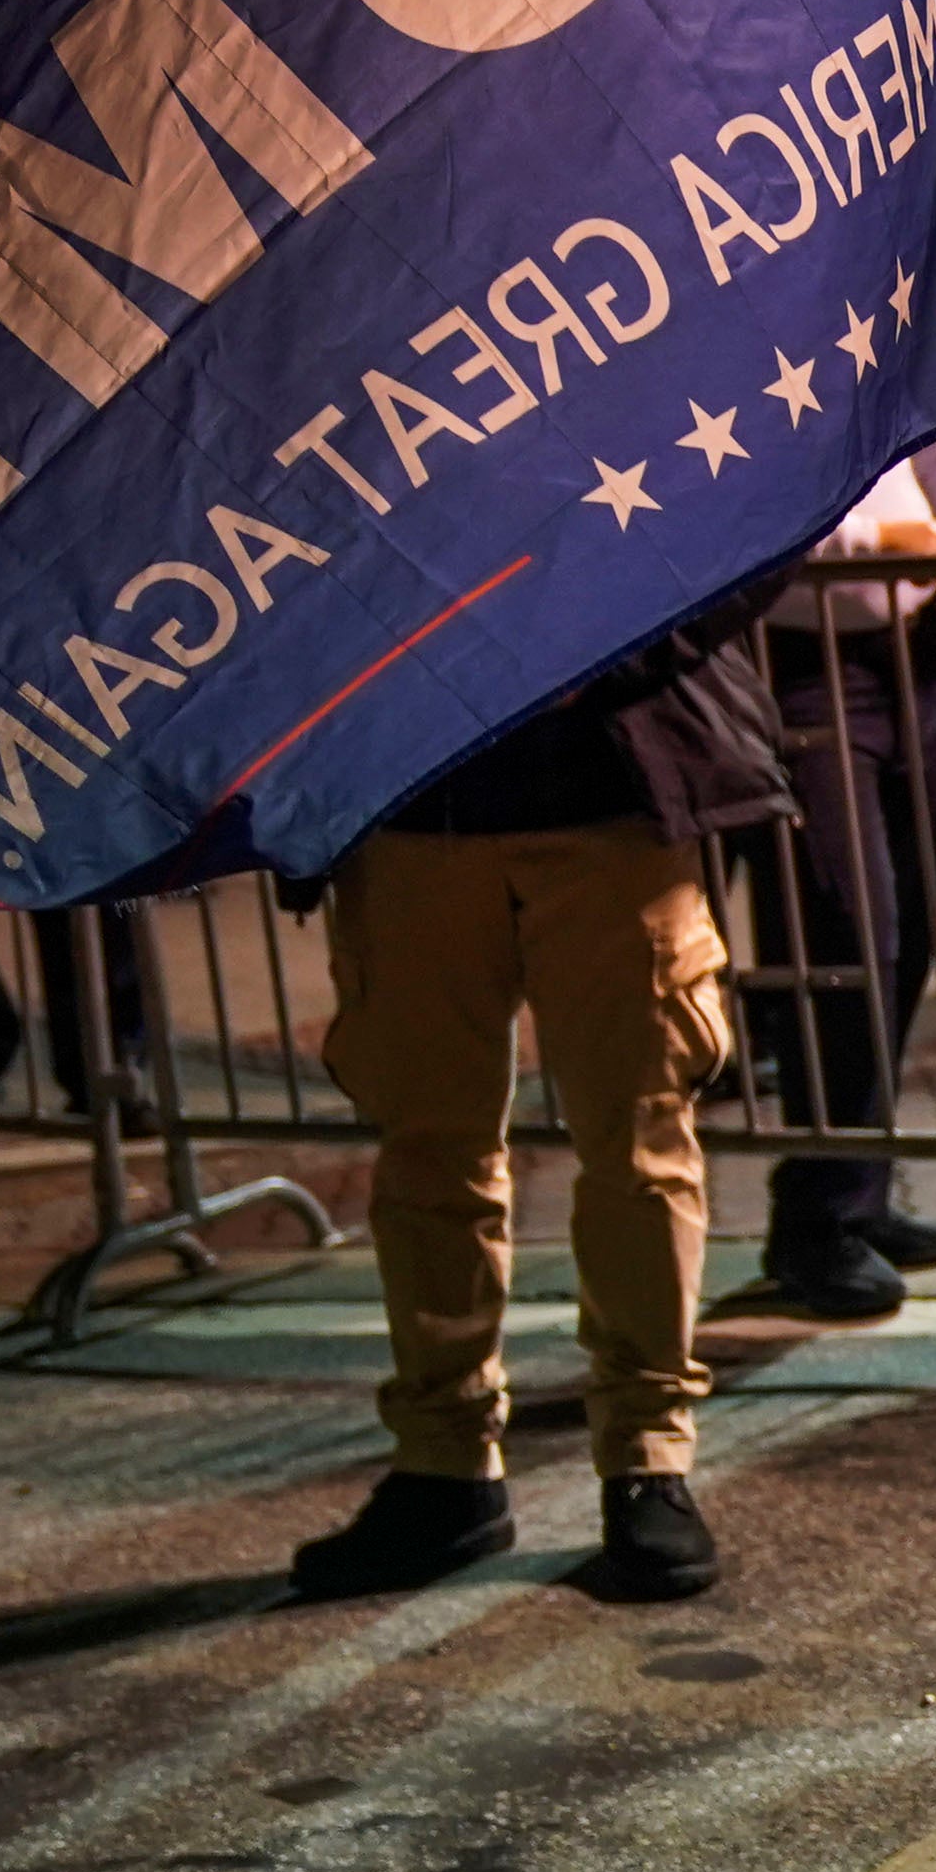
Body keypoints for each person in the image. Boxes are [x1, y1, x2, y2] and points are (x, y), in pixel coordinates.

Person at [288, 604, 817, 1610]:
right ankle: (446, 1465)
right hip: (408, 807)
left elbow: (748, 520)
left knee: (637, 1141)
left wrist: (608, 643)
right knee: (430, 1153)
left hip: (605, 802)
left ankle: (647, 1458)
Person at [737, 438, 936, 1321]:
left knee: (905, 939)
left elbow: (934, 444)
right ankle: (818, 1215)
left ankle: (855, 1185)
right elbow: (739, 523)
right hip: (808, 663)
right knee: (852, 936)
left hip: (909, 655)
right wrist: (887, 546)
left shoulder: (865, 327)